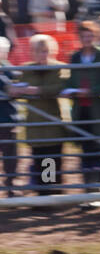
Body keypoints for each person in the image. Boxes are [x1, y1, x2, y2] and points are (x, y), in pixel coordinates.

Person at [66, 21, 100, 188]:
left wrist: (91, 91)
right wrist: (70, 90)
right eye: (84, 37)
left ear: (95, 37)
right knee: (86, 145)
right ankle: (89, 183)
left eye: (90, 36)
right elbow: (71, 78)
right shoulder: (75, 56)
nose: (87, 40)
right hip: (82, 107)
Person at [12, 34, 68, 193]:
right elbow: (15, 86)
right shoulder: (27, 69)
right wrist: (15, 89)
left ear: (52, 51)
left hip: (53, 123)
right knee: (38, 159)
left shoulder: (59, 68)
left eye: (45, 51)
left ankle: (51, 192)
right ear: (32, 52)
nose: (42, 55)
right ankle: (43, 192)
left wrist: (37, 90)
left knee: (51, 158)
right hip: (35, 125)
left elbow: (58, 87)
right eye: (38, 51)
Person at [0, 37, 18, 195]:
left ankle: (9, 187)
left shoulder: (7, 66)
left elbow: (14, 82)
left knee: (10, 156)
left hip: (7, 118)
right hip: (6, 117)